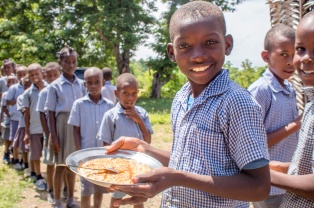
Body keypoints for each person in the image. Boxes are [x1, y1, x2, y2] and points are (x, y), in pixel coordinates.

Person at [105, 1, 270, 207]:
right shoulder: (181, 98)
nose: (198, 55)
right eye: (184, 46)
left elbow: (259, 187)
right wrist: (145, 149)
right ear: (172, 52)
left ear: (227, 45)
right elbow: (185, 162)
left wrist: (178, 178)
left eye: (210, 42)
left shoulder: (237, 103)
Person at [269, 10, 314, 207]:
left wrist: (265, 175)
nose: (306, 58)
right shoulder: (312, 103)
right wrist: (286, 168)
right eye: (300, 49)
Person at [248, 24, 301, 208]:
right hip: (269, 185)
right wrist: (297, 124)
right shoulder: (260, 91)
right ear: (265, 56)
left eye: (294, 55)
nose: (290, 61)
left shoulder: (289, 88)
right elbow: (253, 145)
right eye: (283, 54)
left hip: (289, 182)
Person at [98, 73, 153, 208]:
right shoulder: (110, 116)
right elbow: (106, 145)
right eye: (126, 93)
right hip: (118, 167)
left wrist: (139, 120)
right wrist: (109, 169)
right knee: (116, 199)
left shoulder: (142, 113)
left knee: (138, 199)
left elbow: (148, 141)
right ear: (116, 93)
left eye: (134, 93)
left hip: (138, 165)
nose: (130, 98)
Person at [45, 45, 86, 208]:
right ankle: (57, 199)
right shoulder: (55, 86)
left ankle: (70, 198)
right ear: (60, 63)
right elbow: (50, 112)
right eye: (67, 62)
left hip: (77, 126)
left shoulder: (81, 84)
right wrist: (53, 136)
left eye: (73, 62)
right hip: (61, 127)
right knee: (60, 166)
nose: (71, 65)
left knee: (72, 165)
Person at [68, 67, 114, 208]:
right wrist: (79, 152)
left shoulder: (110, 105)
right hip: (86, 155)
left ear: (103, 83)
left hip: (103, 154)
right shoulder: (79, 104)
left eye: (97, 82)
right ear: (85, 84)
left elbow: (112, 131)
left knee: (99, 186)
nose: (93, 86)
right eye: (90, 83)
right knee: (86, 189)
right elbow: (76, 130)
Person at [36, 62, 61, 204]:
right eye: (49, 75)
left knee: (63, 164)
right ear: (45, 76)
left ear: (60, 74)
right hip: (51, 134)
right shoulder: (44, 92)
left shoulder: (63, 90)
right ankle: (51, 190)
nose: (52, 78)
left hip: (63, 132)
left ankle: (61, 189)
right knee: (51, 163)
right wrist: (48, 135)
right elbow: (42, 114)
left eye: (55, 75)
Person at [22, 63, 47, 191]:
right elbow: (26, 114)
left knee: (50, 155)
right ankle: (38, 176)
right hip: (35, 128)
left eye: (36, 73)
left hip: (49, 129)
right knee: (36, 154)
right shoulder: (28, 93)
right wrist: (26, 132)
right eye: (31, 75)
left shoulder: (50, 88)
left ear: (42, 73)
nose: (34, 76)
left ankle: (51, 177)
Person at [6, 65, 28, 170]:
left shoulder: (30, 86)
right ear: (16, 75)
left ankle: (25, 161)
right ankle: (15, 159)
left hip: (26, 120)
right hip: (15, 117)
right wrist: (18, 100)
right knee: (15, 140)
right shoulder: (14, 88)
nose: (22, 76)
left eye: (24, 74)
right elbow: (7, 102)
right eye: (19, 74)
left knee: (24, 142)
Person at [13, 75, 32, 178]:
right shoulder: (21, 97)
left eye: (30, 84)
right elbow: (23, 111)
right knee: (24, 147)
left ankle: (31, 167)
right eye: (25, 84)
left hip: (34, 126)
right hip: (23, 125)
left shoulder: (35, 95)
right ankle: (25, 165)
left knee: (31, 149)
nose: (28, 86)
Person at [1, 74, 18, 164]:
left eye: (13, 81)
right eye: (9, 81)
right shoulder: (5, 94)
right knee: (7, 137)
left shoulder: (19, 91)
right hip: (9, 119)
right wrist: (9, 115)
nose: (11, 83)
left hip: (18, 118)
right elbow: (4, 107)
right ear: (6, 83)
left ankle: (16, 156)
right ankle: (6, 153)